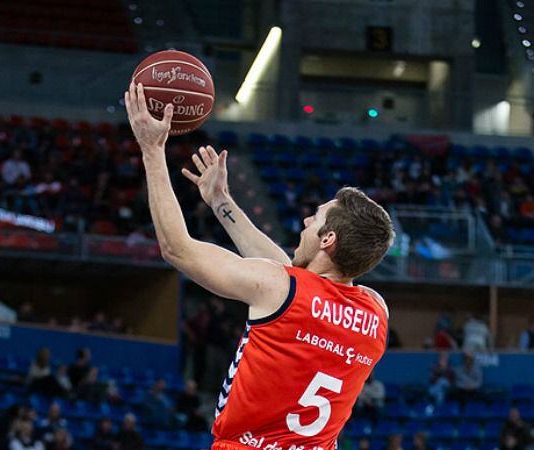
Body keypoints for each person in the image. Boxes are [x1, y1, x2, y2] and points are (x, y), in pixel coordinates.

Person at [125, 83, 393, 450]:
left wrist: (152, 151)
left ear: (328, 240)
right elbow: (290, 280)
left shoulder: (282, 290)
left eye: (315, 220)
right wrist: (222, 202)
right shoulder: (376, 311)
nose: (304, 223)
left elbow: (178, 249)